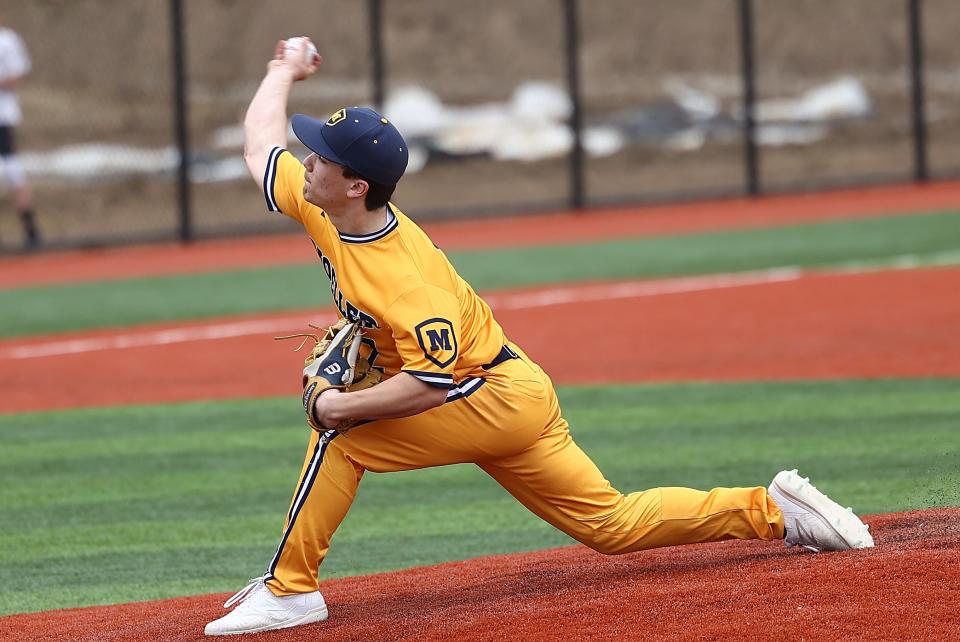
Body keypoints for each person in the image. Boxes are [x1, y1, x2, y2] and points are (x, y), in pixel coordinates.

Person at [204, 38, 874, 636]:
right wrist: (282, 69)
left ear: (354, 185)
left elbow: (431, 384)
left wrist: (336, 406)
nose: (305, 159)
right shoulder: (326, 205)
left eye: (318, 156)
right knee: (611, 525)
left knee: (342, 442)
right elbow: (259, 143)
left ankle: (291, 591)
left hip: (481, 395)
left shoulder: (405, 281)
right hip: (514, 387)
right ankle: (772, 507)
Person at [0, 17, 39, 249]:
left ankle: (31, 228)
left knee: (14, 170)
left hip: (2, 119)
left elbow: (17, 77)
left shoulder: (6, 40)